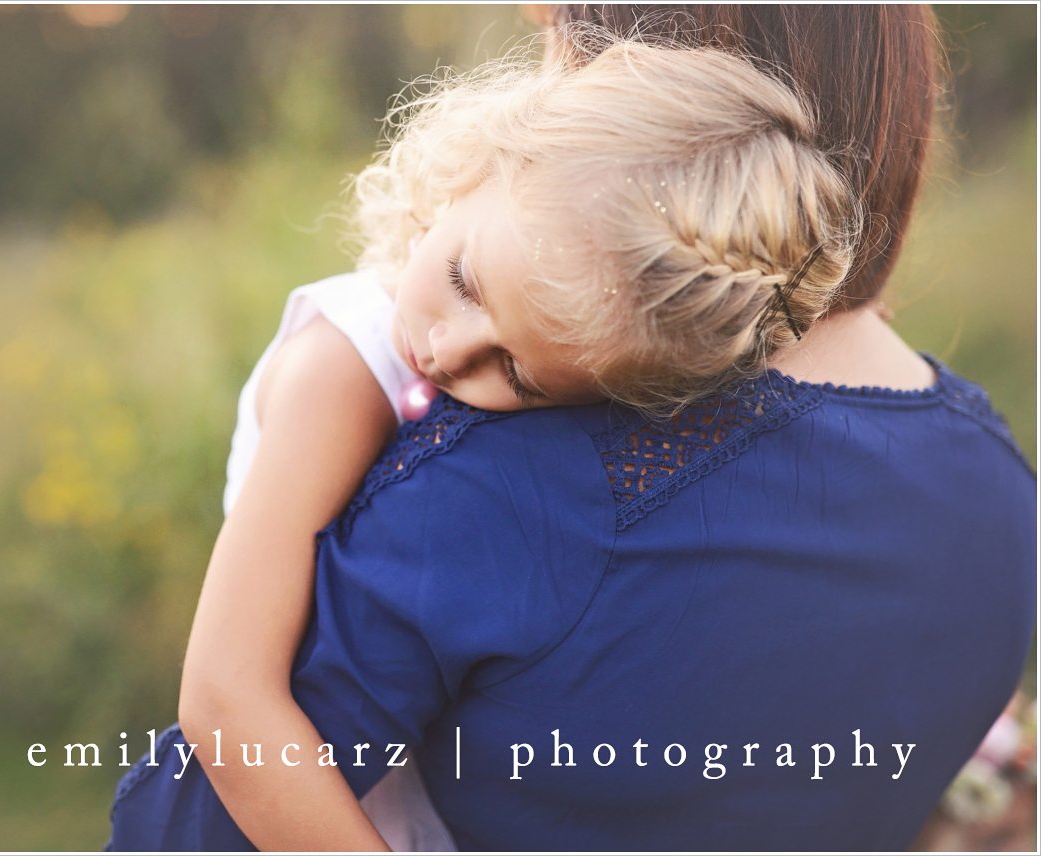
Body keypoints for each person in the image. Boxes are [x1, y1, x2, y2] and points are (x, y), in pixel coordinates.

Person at [105, 9, 1036, 853]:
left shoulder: (546, 457)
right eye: (465, 283)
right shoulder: (999, 488)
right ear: (492, 157)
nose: (446, 352)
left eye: (517, 374)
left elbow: (181, 828)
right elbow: (228, 695)